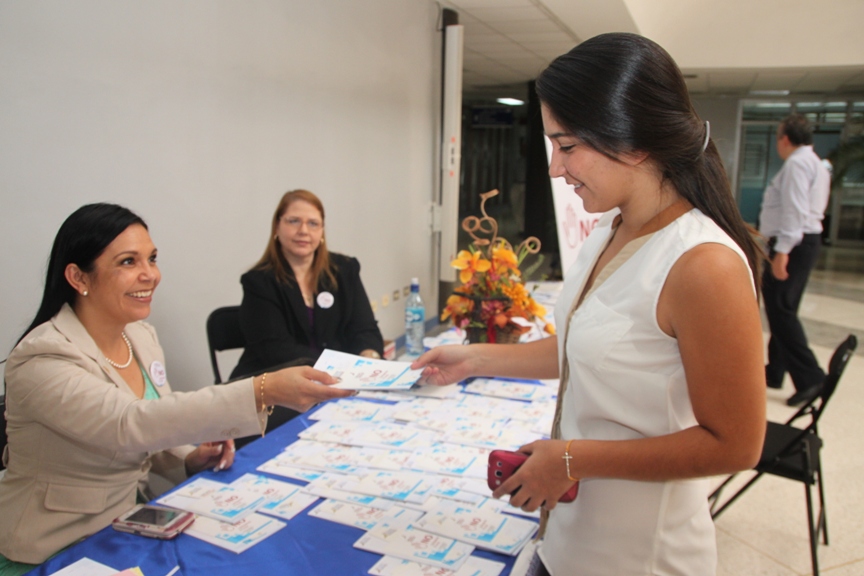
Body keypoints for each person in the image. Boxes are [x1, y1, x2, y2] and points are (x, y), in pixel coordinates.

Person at [412, 33, 766, 576]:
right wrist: (476, 359)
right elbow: (587, 346)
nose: (555, 168)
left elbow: (736, 445)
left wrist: (572, 459)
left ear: (635, 141)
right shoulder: (611, 228)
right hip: (565, 541)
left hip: (637, 558)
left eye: (568, 146)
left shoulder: (703, 265)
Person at [0, 203, 353, 573]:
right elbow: (128, 423)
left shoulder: (140, 337)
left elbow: (155, 428)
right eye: (128, 262)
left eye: (152, 259)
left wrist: (188, 458)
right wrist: (262, 390)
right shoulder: (43, 357)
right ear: (78, 277)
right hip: (54, 548)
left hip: (128, 525)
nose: (150, 275)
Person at [230, 189, 383, 440]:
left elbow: (365, 329)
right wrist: (340, 370)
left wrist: (369, 358)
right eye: (294, 221)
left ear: (322, 231)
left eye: (313, 223)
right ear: (277, 227)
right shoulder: (259, 282)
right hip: (277, 396)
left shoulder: (344, 270)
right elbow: (276, 351)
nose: (304, 230)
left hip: (336, 386)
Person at [759, 113, 831, 406]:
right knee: (783, 308)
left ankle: (811, 378)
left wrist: (782, 252)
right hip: (805, 242)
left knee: (781, 311)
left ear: (785, 139)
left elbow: (794, 210)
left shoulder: (797, 164)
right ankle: (776, 370)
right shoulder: (816, 163)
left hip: (792, 244)